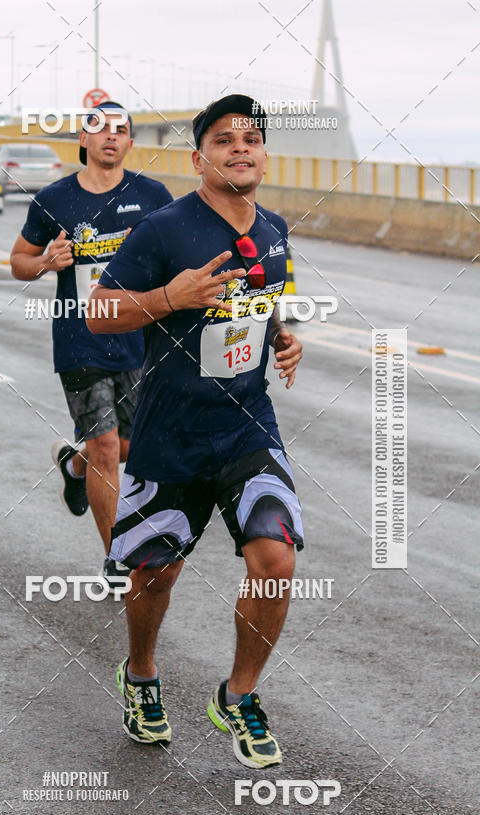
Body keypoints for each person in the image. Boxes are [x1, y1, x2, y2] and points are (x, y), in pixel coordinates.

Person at [87, 95, 304, 769]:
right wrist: (167, 299)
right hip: (170, 430)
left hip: (246, 423)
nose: (240, 148)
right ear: (198, 158)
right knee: (156, 573)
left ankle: (238, 696)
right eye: (223, 140)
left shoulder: (274, 230)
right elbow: (98, 312)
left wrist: (282, 337)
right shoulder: (163, 230)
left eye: (251, 139)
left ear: (263, 156)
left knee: (275, 558)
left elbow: (263, 302)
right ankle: (141, 675)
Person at [10, 102, 173, 584]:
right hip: (79, 340)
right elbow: (19, 261)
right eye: (100, 128)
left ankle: (74, 465)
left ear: (130, 142)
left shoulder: (153, 195)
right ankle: (116, 557)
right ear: (83, 139)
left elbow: (177, 257)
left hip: (139, 338)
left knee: (128, 446)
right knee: (105, 445)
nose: (110, 136)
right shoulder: (54, 199)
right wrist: (46, 262)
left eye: (121, 130)